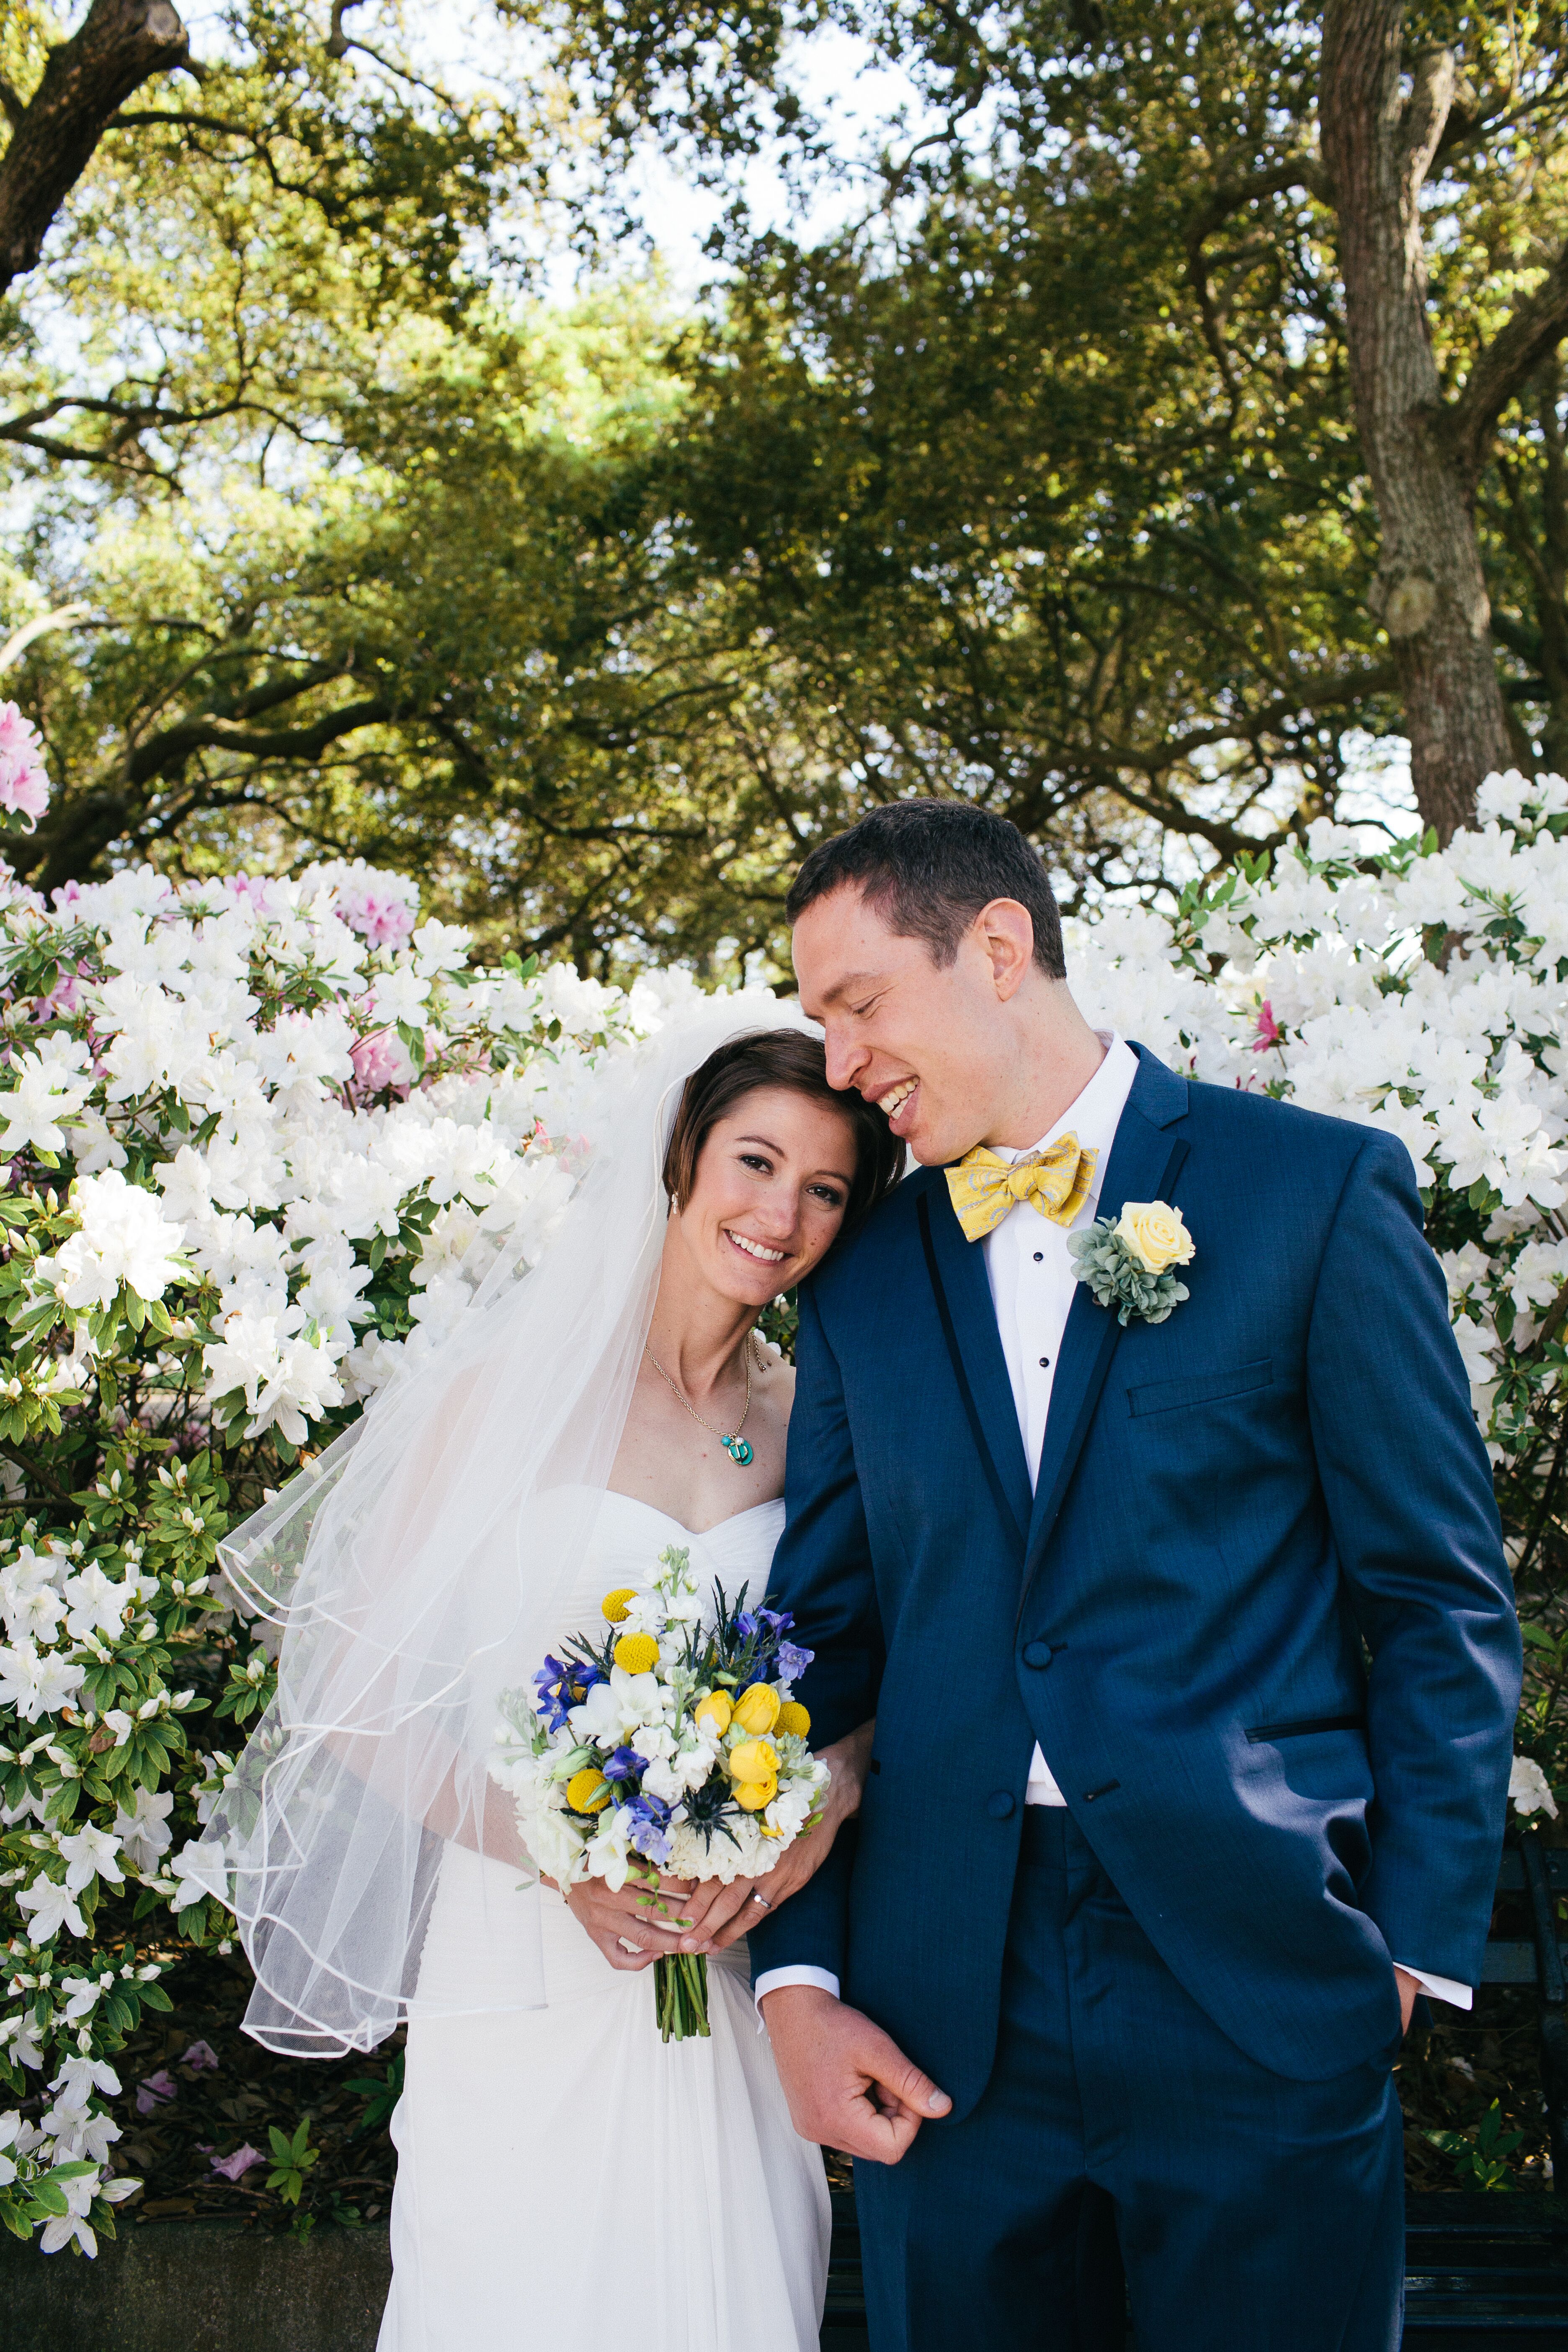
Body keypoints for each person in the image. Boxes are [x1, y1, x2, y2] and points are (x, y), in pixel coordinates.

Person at [748, 800, 1522, 2351]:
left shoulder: (1310, 1195)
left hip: (1260, 1981)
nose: (838, 1065)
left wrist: (1405, 1964)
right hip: (943, 2009)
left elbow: (1441, 1602)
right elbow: (821, 1642)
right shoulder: (862, 1280)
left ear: (999, 948)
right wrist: (799, 1980)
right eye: (818, 1023)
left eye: (858, 1005)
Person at [199, 1010, 900, 2352]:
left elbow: (868, 1667)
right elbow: (345, 1683)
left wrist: (823, 1788)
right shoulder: (509, 1395)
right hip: (526, 1952)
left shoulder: (820, 1418)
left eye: (824, 1189)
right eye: (755, 1163)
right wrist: (555, 1845)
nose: (782, 1214)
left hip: (732, 1957)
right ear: (685, 1156)